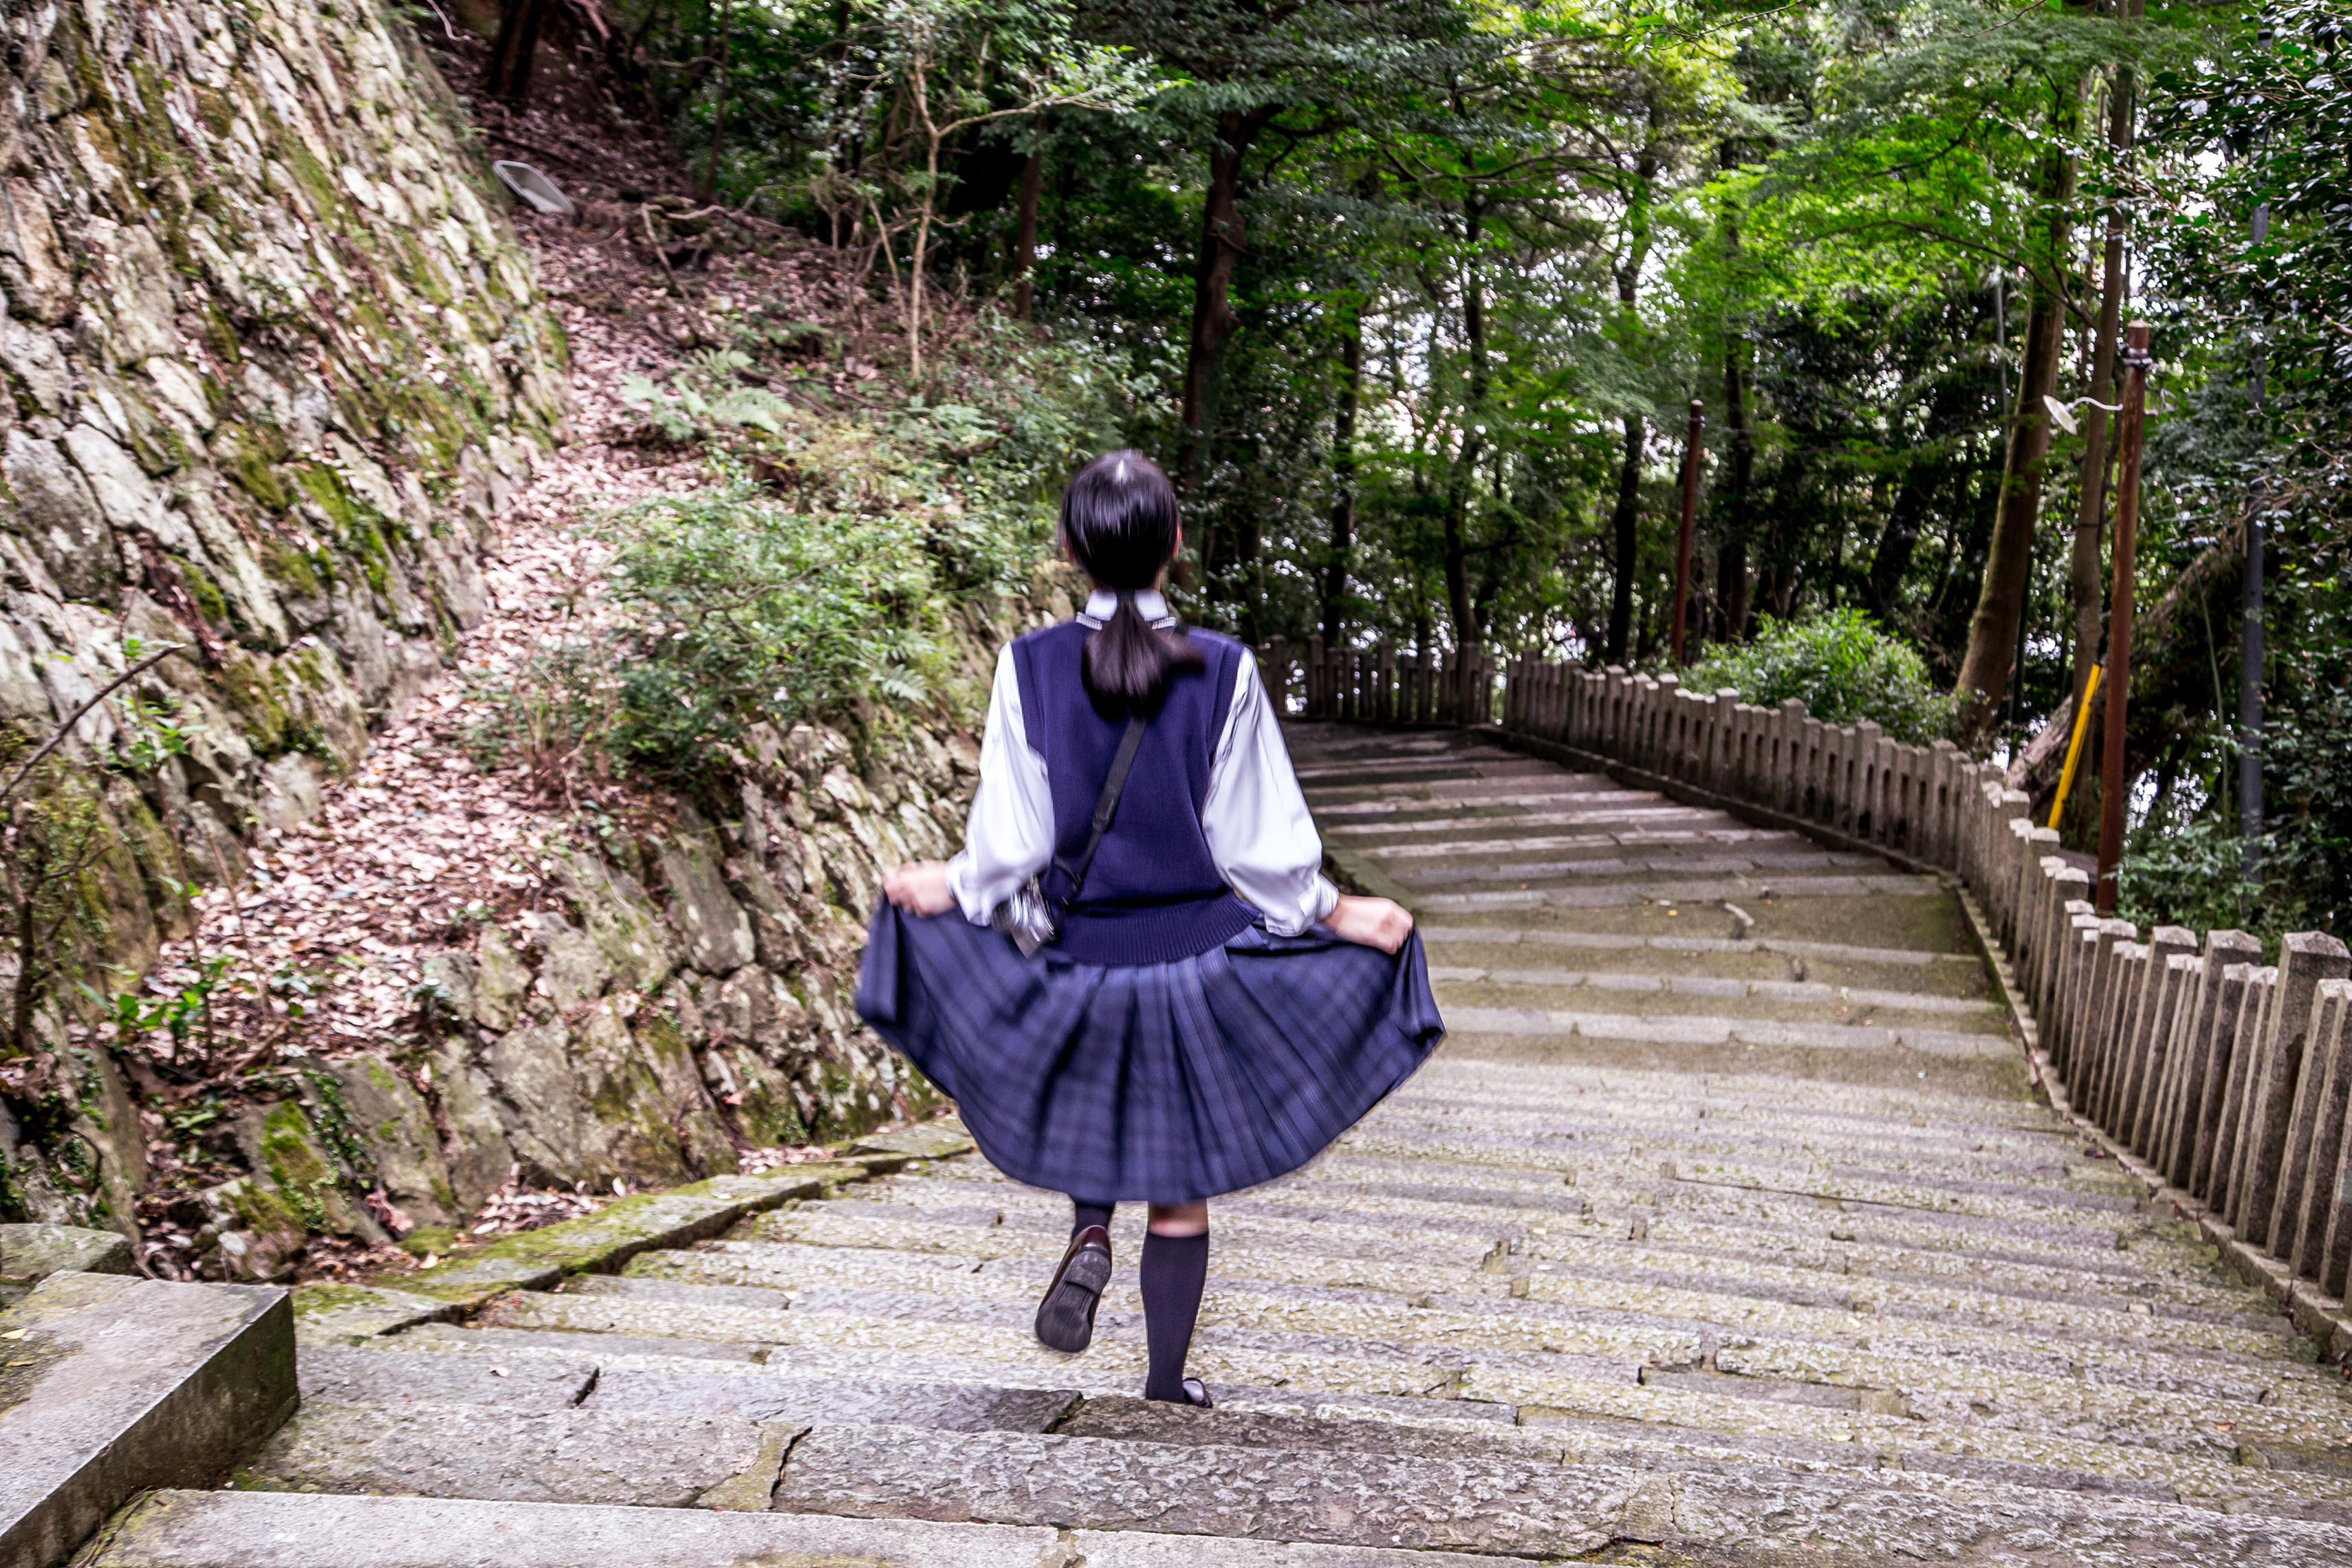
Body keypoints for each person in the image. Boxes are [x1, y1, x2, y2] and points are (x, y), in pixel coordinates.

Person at [856, 448, 1443, 1408]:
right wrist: (1338, 912)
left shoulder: (1030, 667)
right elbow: (1256, 842)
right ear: (1176, 544)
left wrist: (953, 888)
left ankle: (1089, 1232)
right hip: (1196, 958)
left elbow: (1015, 838)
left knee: (1097, 1106)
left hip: (1074, 950)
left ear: (1068, 550)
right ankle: (1167, 1383)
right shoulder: (1224, 670)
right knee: (1179, 1176)